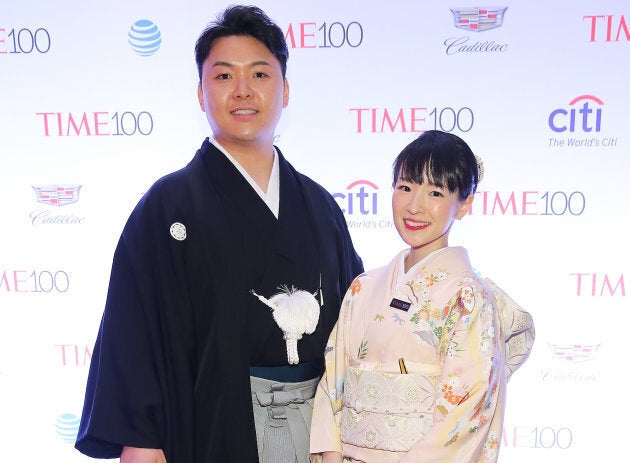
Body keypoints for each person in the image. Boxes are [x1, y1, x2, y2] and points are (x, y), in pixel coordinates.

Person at [75, 5, 363, 463]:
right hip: (210, 427)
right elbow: (135, 335)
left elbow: (355, 328)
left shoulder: (320, 207)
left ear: (285, 90)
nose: (243, 91)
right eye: (224, 76)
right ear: (200, 91)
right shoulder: (167, 207)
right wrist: (143, 443)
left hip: (318, 436)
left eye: (261, 75)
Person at [309, 130, 535, 463]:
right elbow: (334, 380)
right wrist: (331, 454)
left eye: (435, 192)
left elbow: (468, 409)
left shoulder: (467, 298)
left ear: (464, 204)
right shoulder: (363, 287)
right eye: (405, 187)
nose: (415, 205)